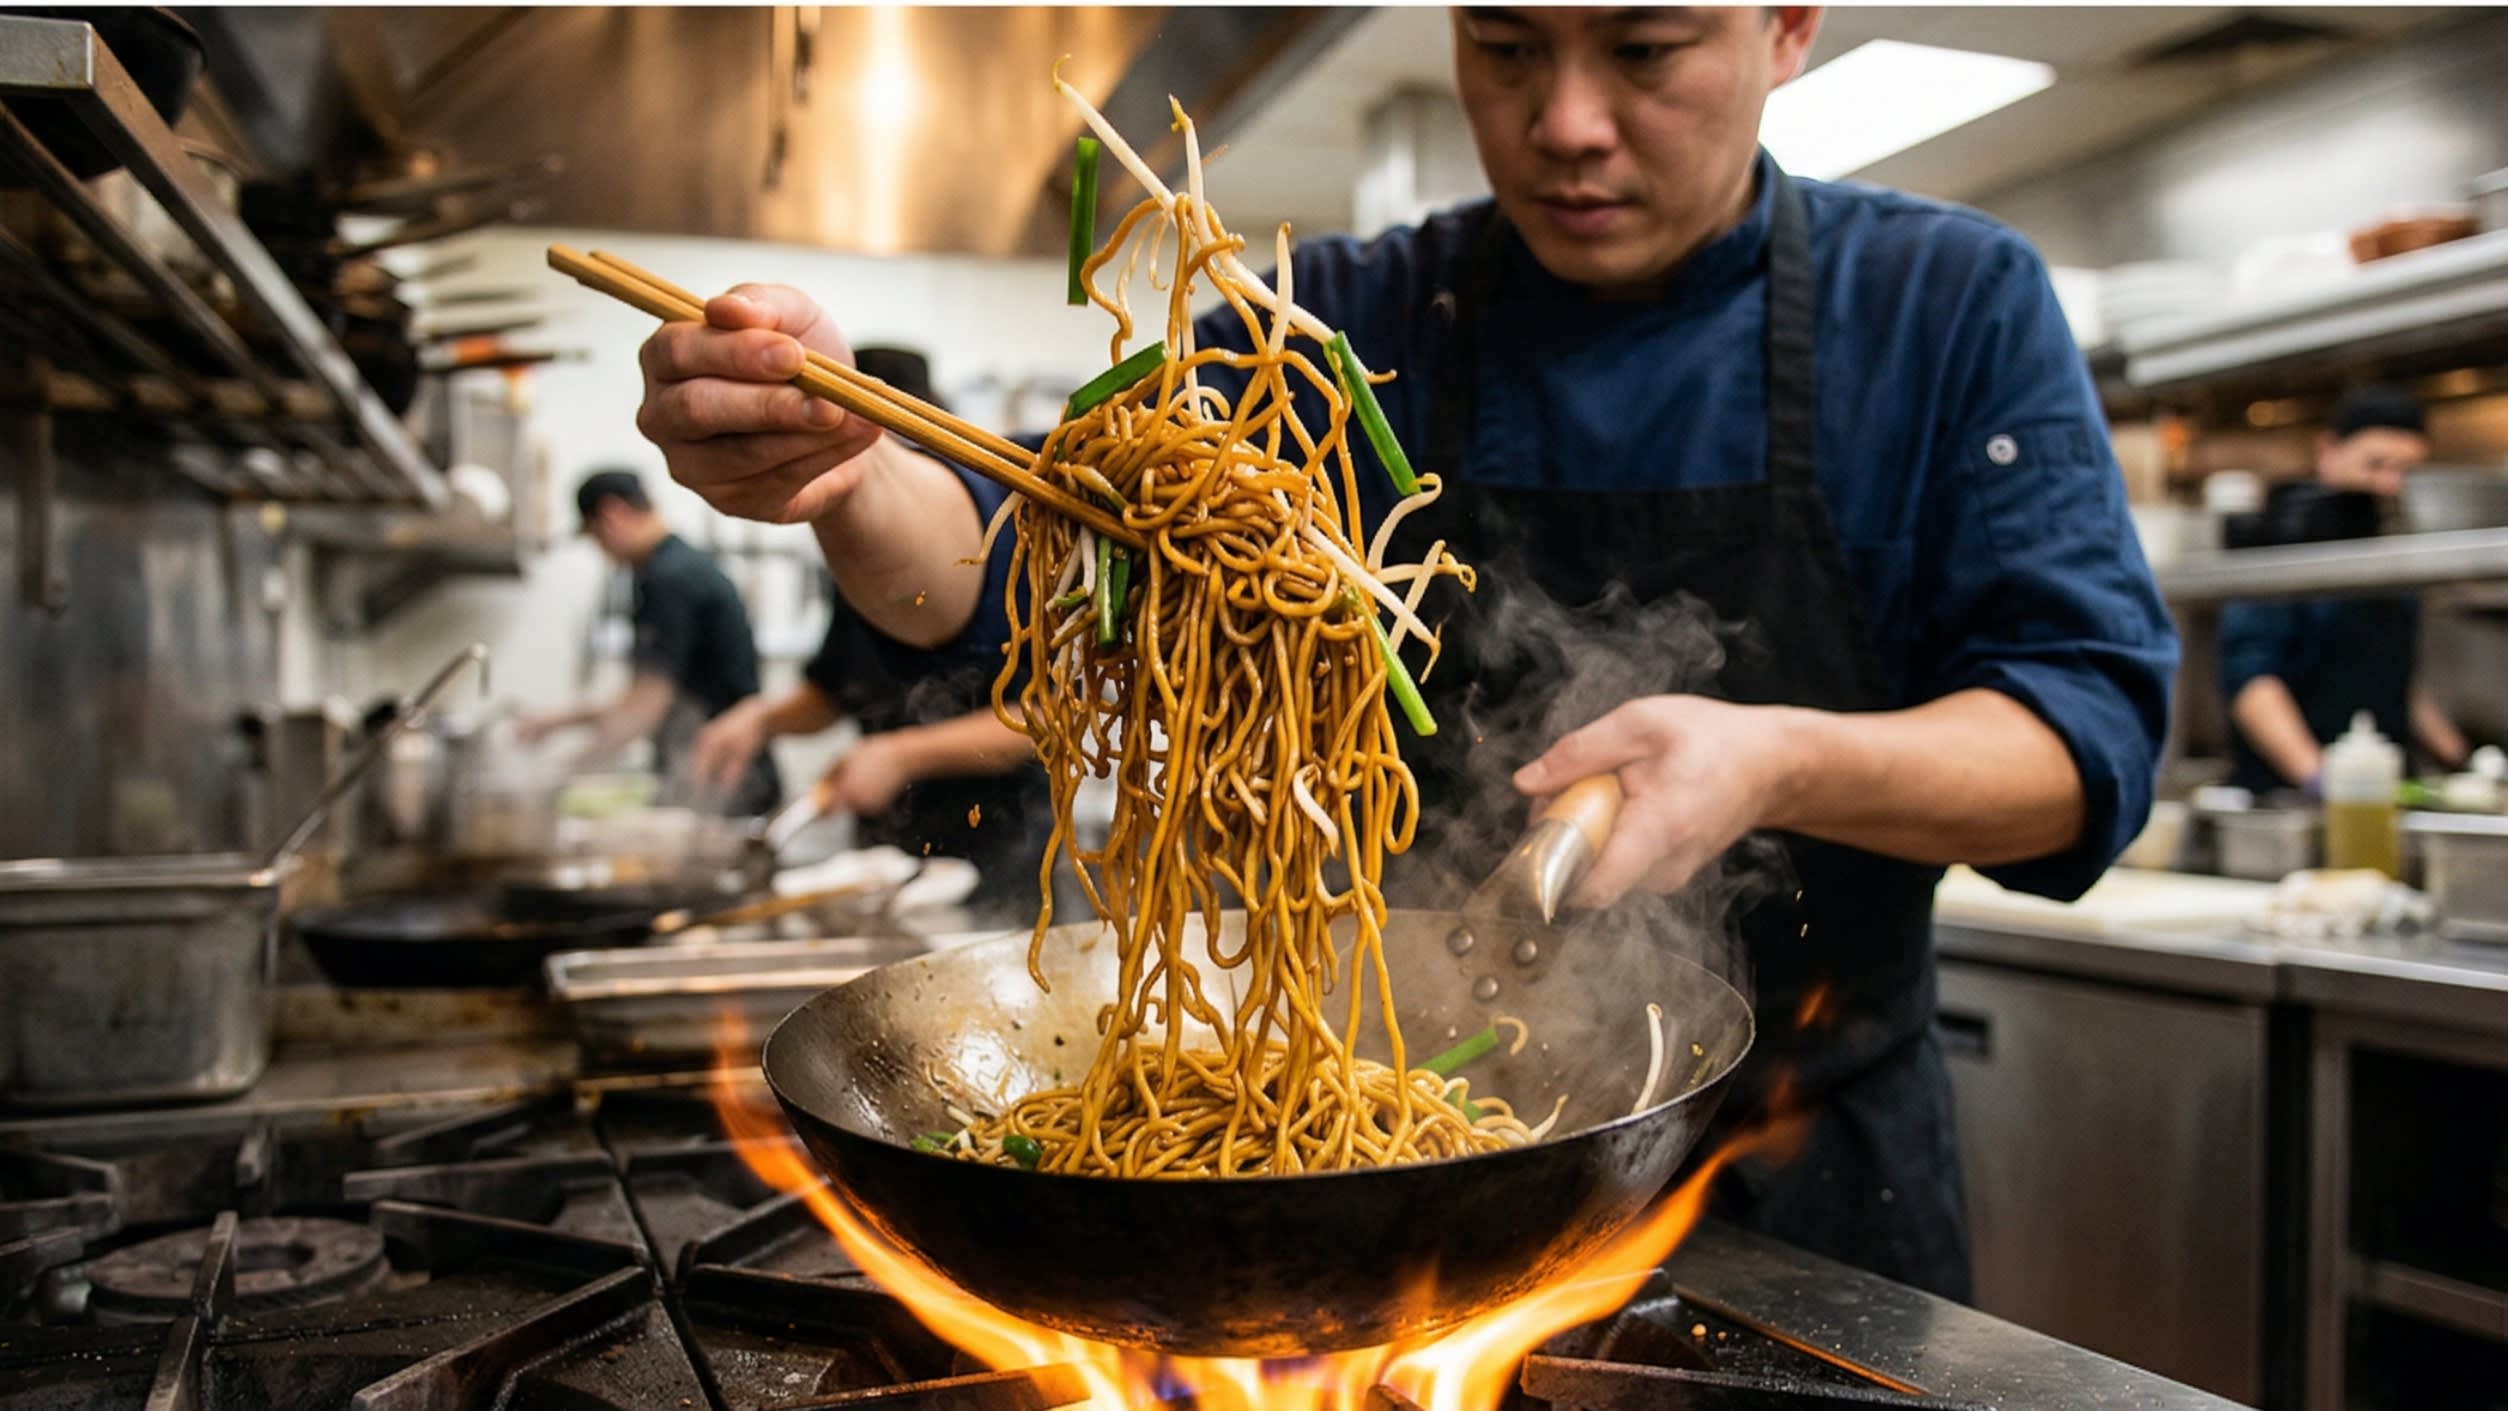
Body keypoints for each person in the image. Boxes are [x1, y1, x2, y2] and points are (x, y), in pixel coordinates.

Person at [624, 6, 2179, 1301]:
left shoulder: (1947, 304)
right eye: (1504, 46)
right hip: (1376, 1196)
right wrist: (844, 468)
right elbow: (1016, 564)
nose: (1565, 118)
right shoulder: (1335, 322)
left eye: (1644, 49)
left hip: (1815, 1191)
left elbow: (2080, 748)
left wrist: (1771, 755)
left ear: (1785, 26)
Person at [690, 348, 1052, 917]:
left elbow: (1052, 718)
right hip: (886, 851)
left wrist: (902, 755)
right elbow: (835, 688)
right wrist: (759, 719)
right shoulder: (854, 538)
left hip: (998, 851)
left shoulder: (1017, 540)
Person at [2220, 387, 2469, 794]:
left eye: (2406, 471)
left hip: (2382, 786)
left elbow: (2391, 677)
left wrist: (2460, 759)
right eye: (2376, 465)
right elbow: (2254, 684)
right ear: (2329, 451)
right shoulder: (2281, 541)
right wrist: (2320, 779)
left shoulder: (2385, 554)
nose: (2390, 484)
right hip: (2289, 796)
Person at [518, 469, 782, 815]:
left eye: (596, 537)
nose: (602, 552)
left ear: (612, 515)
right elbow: (647, 694)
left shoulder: (668, 580)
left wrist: (563, 772)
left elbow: (648, 704)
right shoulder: (678, 567)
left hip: (724, 776)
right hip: (710, 772)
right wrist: (558, 722)